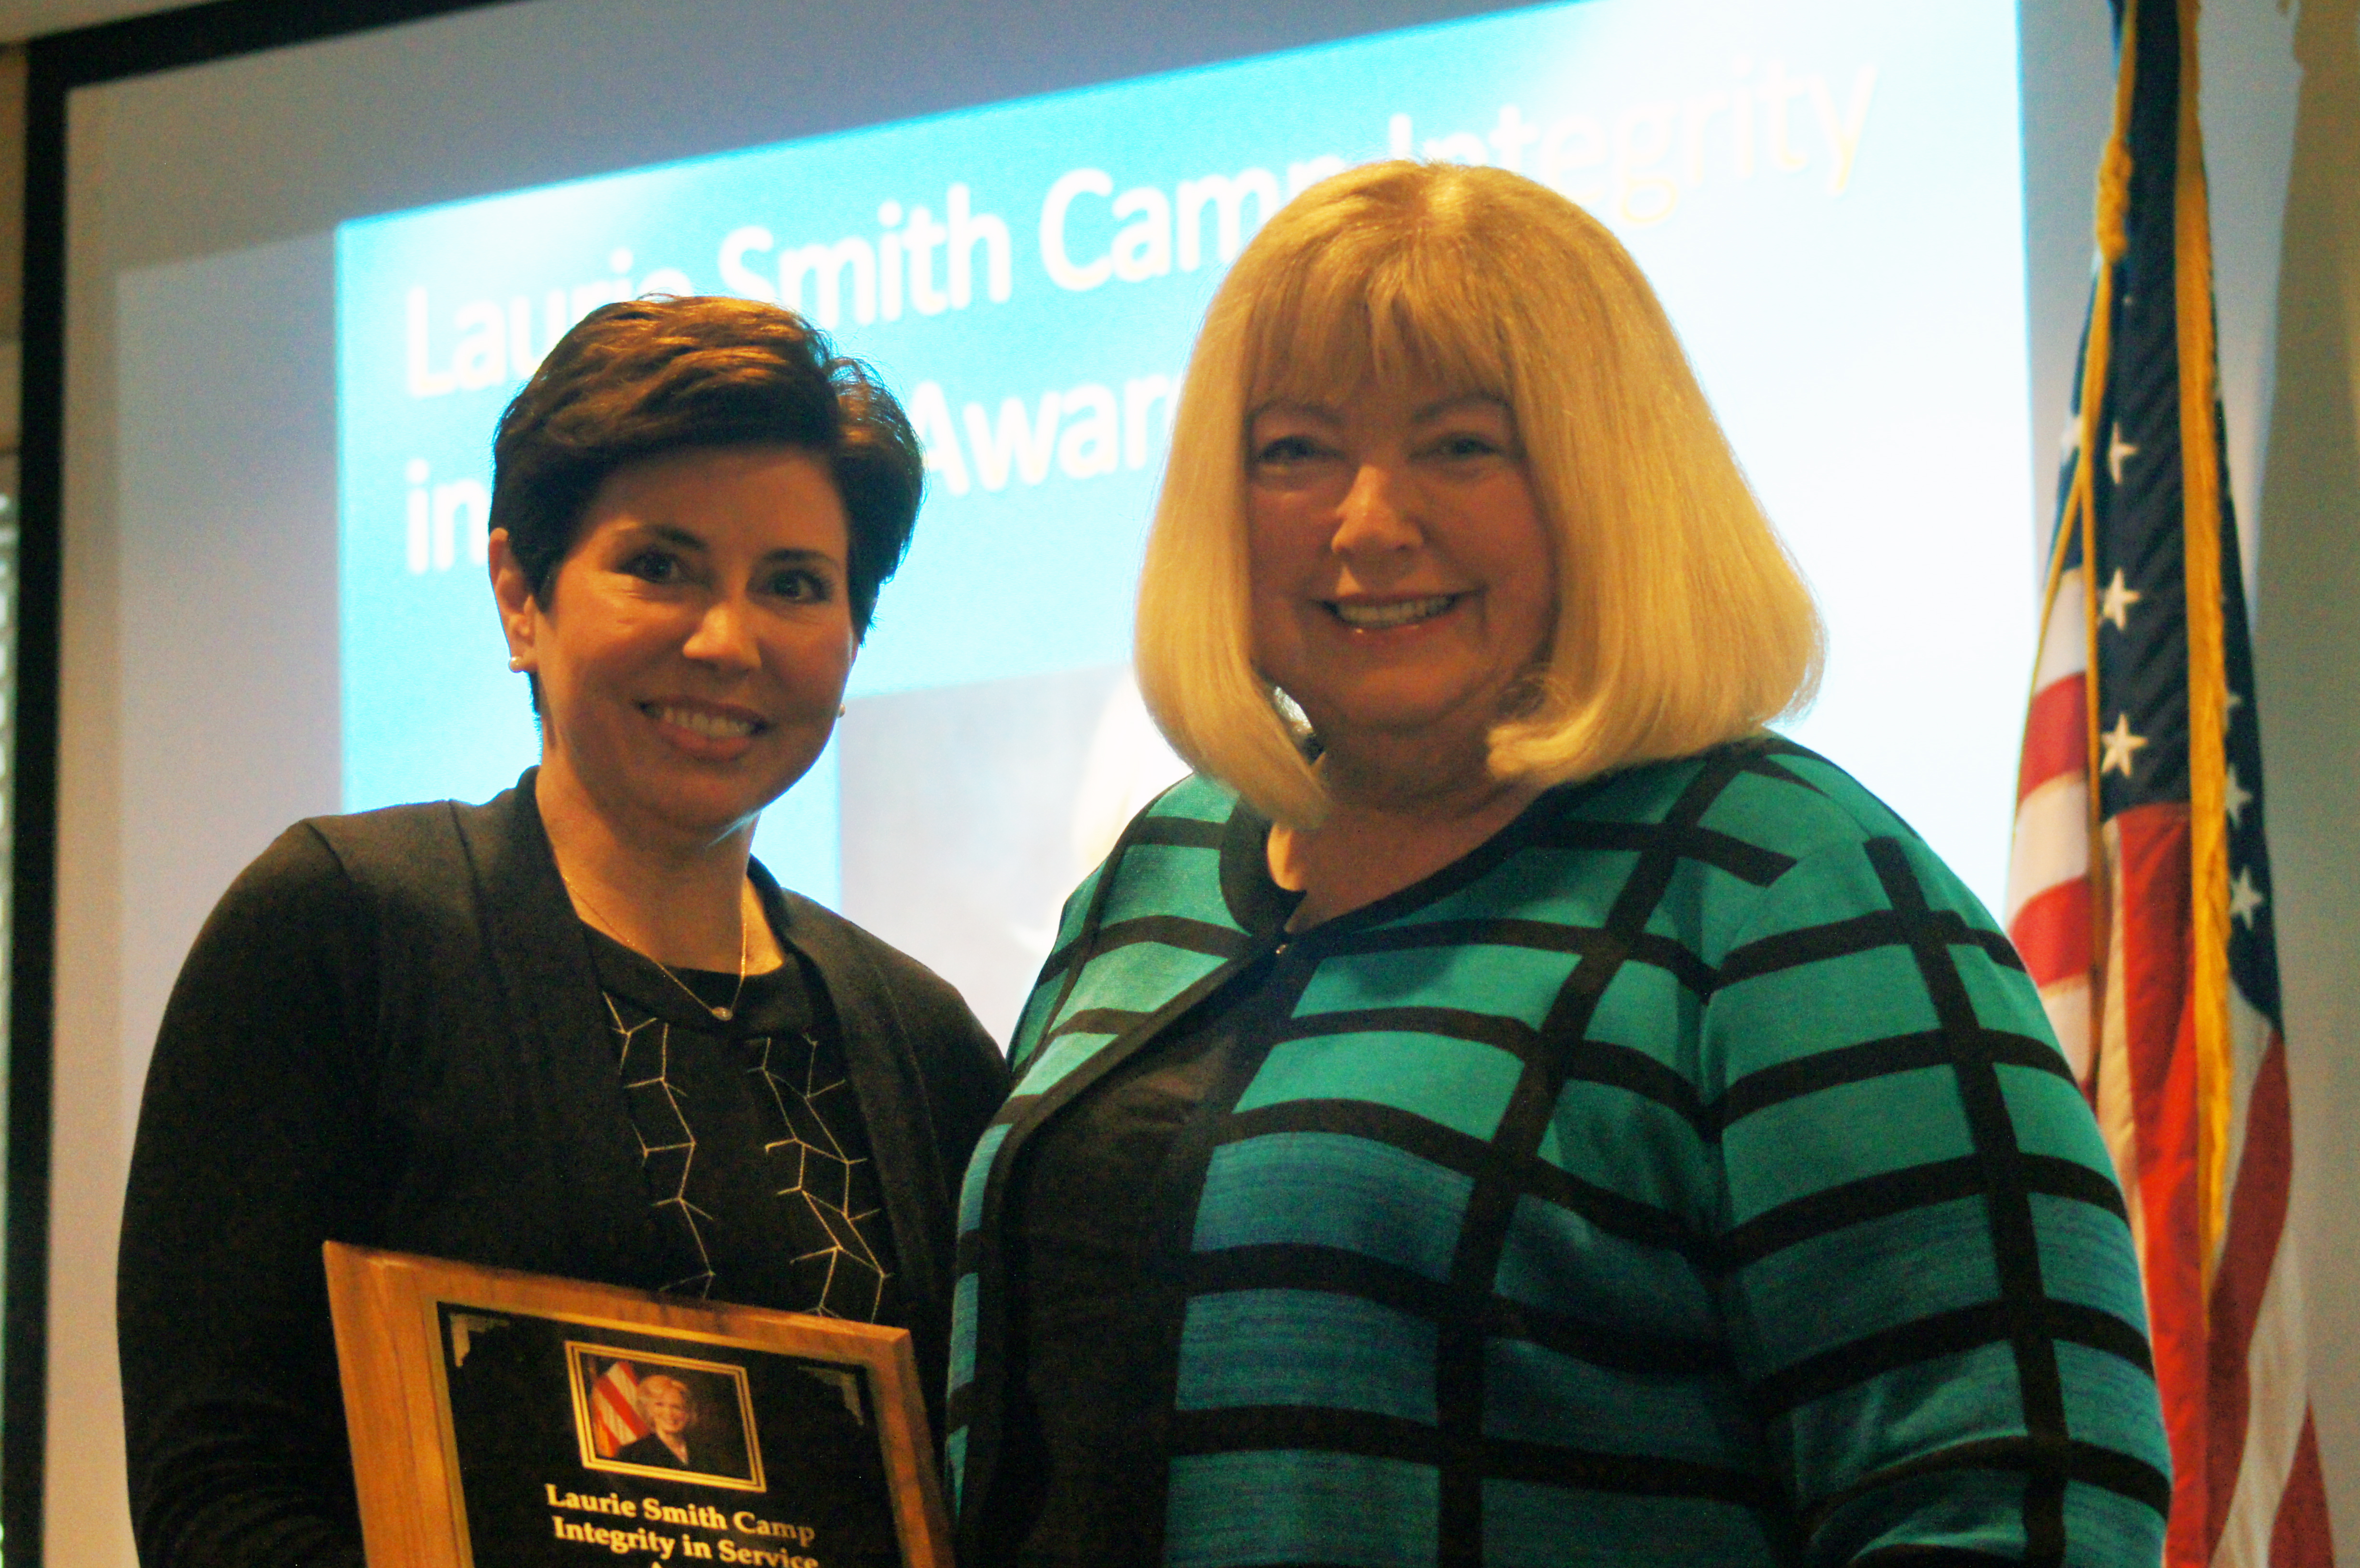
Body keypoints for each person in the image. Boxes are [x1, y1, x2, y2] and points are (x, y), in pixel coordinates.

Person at [944, 164, 2169, 1565]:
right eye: (1291, 450)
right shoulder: (1151, 870)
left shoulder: (1790, 888)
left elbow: (2008, 1503)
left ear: (1607, 484)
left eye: (1459, 445)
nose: (1364, 520)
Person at [118, 297, 1008, 1568]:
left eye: (796, 585)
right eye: (661, 566)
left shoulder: (923, 1044)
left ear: (855, 633)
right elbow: (224, 1489)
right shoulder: (338, 930)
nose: (728, 640)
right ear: (521, 595)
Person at [617, 1374, 703, 1471]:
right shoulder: (632, 1454)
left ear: (688, 1412)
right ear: (648, 1410)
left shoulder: (704, 1452)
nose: (669, 1414)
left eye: (676, 1407)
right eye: (660, 1405)